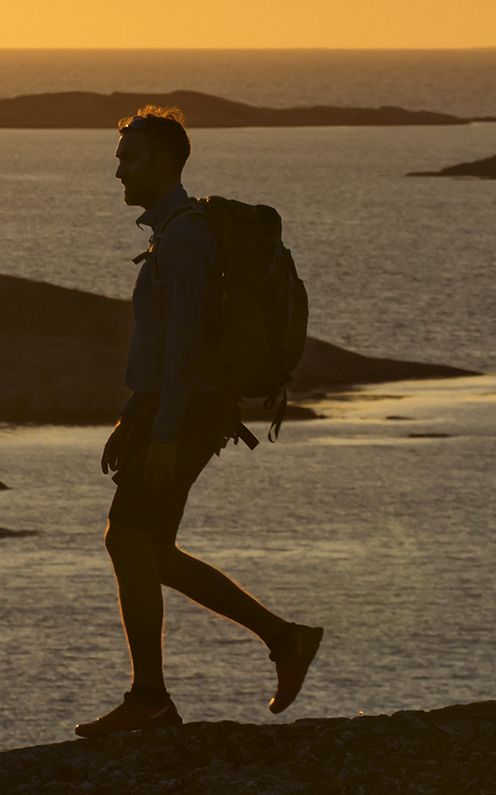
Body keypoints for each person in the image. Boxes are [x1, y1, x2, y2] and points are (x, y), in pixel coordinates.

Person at [74, 107, 326, 737]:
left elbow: (185, 347)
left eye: (129, 159)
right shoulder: (174, 232)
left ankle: (151, 699)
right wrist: (131, 415)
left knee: (127, 540)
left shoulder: (185, 237)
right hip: (171, 410)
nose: (119, 173)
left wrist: (160, 433)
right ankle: (284, 639)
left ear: (164, 161)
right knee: (151, 549)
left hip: (184, 414)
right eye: (119, 160)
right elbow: (169, 349)